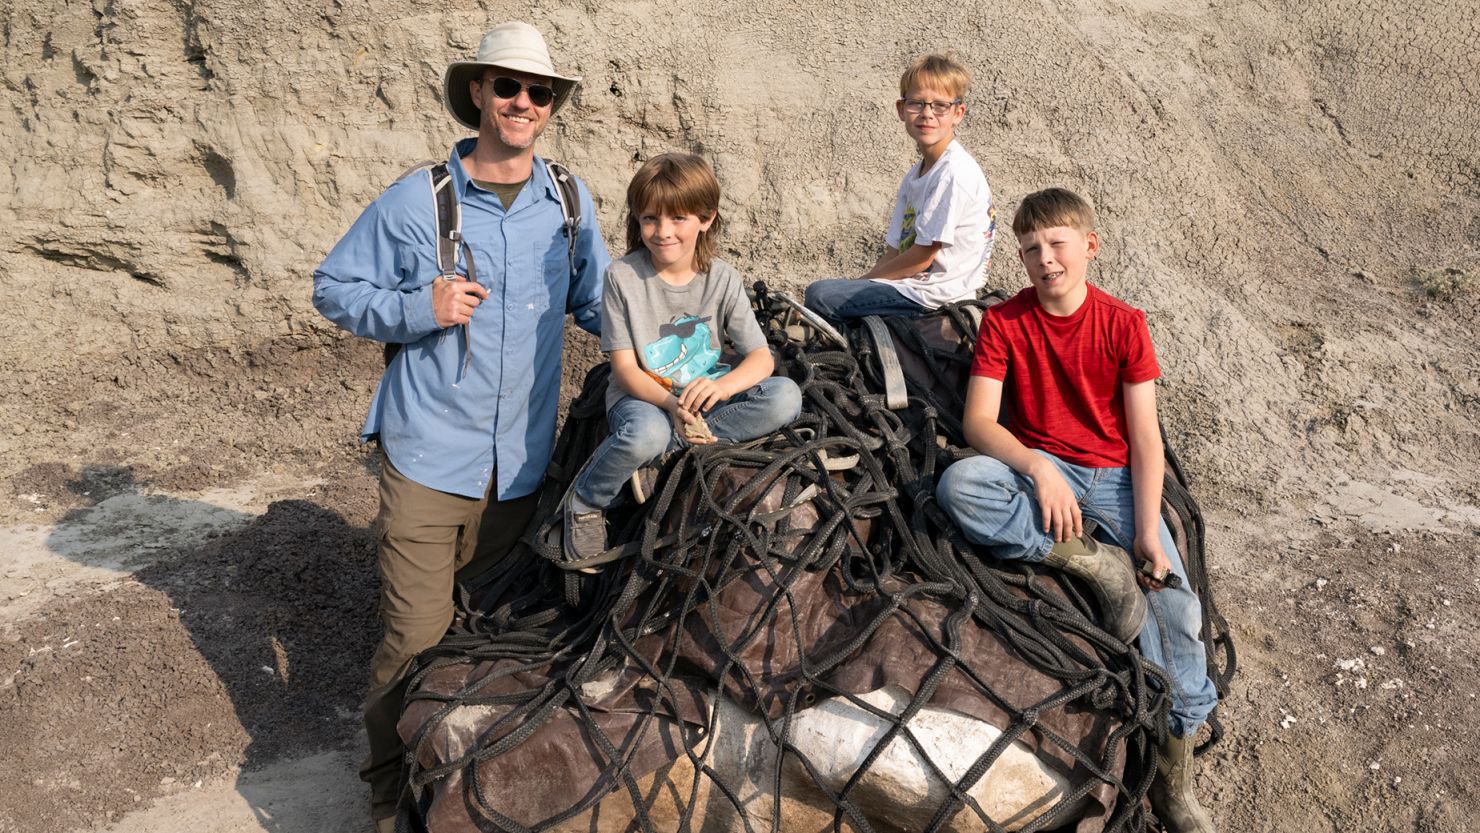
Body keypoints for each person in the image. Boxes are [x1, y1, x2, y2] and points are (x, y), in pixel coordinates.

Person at [310, 22, 608, 832]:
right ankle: (385, 790)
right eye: (506, 86)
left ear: (550, 108)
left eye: (537, 92)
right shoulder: (418, 201)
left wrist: (687, 349)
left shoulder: (571, 205)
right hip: (426, 459)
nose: (521, 102)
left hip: (520, 468)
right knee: (413, 639)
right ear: (477, 90)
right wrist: (418, 309)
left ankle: (468, 785)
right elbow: (333, 287)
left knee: (489, 639)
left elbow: (603, 306)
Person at [934, 188, 1219, 832]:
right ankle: (1092, 563)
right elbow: (979, 421)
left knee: (1177, 606)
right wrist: (1036, 466)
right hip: (1045, 466)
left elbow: (1145, 438)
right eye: (1031, 249)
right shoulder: (1006, 323)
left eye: (1057, 244)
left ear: (1089, 245)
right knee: (962, 486)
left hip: (1114, 476)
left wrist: (1146, 529)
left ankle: (1175, 779)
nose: (1045, 259)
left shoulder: (1124, 323)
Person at [562, 153, 802, 562]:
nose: (662, 232)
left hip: (704, 396)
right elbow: (624, 369)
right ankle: (585, 502)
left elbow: (761, 358)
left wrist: (721, 386)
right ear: (637, 220)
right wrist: (672, 405)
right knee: (646, 435)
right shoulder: (622, 278)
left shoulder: (723, 277)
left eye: (678, 219)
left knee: (785, 396)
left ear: (706, 219)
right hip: (646, 397)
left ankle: (673, 451)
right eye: (650, 219)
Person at [804, 53, 996, 326]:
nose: (927, 114)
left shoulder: (953, 172)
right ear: (901, 109)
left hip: (937, 295)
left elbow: (922, 257)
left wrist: (856, 287)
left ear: (958, 113)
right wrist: (859, 285)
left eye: (940, 105)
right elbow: (895, 253)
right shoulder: (915, 176)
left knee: (821, 295)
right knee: (829, 291)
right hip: (912, 288)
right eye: (917, 103)